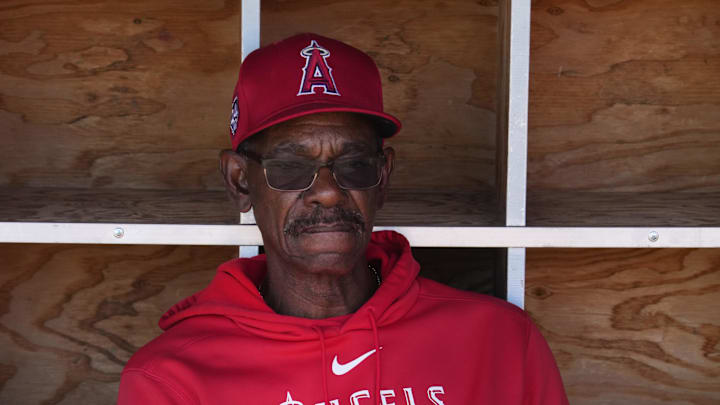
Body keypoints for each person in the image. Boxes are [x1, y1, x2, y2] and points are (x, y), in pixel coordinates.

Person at [118, 33, 569, 405]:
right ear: (239, 182)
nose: (329, 191)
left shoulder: (499, 344)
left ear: (383, 177)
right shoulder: (171, 382)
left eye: (354, 164)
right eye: (291, 168)